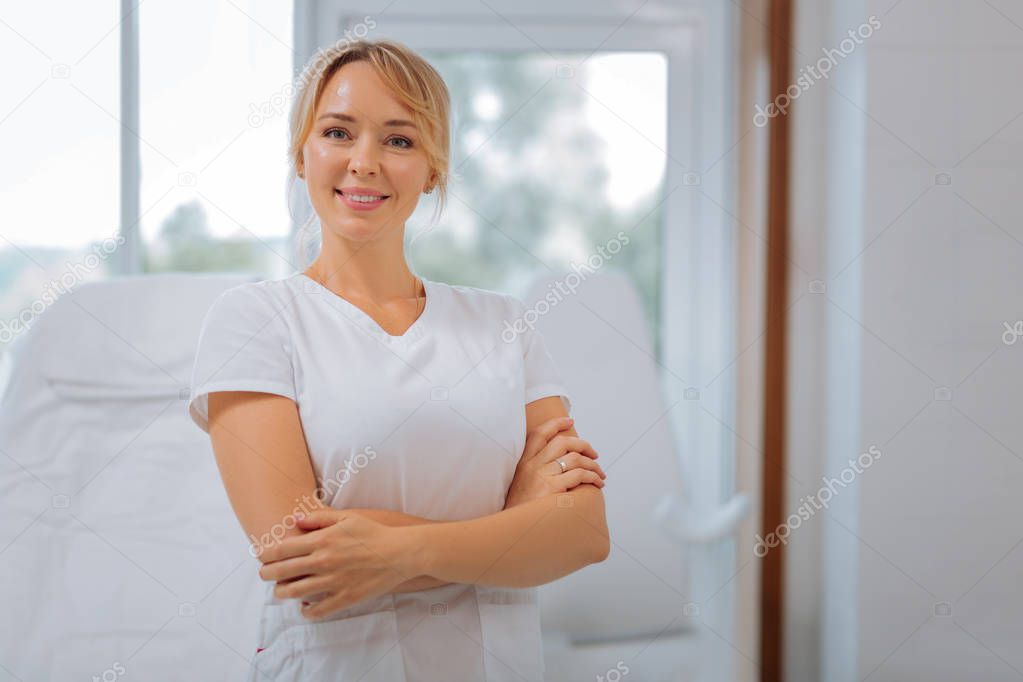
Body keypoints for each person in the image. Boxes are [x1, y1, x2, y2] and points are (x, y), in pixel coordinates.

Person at [187, 39, 609, 682]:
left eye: (399, 140)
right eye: (337, 131)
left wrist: (397, 549)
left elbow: (582, 534)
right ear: (302, 155)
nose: (364, 162)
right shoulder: (254, 321)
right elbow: (301, 560)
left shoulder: (502, 325)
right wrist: (516, 523)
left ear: (434, 168)